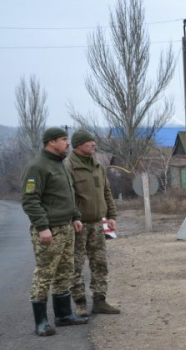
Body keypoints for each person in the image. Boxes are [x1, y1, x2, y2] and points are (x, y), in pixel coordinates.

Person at [21, 126, 88, 336]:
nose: (67, 143)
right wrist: (42, 227)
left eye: (67, 139)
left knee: (64, 271)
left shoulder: (61, 165)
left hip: (66, 226)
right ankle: (41, 322)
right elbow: (30, 200)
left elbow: (68, 195)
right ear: (51, 142)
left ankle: (63, 315)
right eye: (63, 139)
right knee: (44, 274)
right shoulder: (37, 167)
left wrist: (75, 216)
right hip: (50, 230)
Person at [64, 129, 120, 315]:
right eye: (89, 142)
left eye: (93, 141)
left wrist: (111, 216)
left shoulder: (97, 166)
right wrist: (74, 218)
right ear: (78, 145)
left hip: (97, 223)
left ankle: (100, 300)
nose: (93, 144)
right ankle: (80, 303)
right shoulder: (68, 167)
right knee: (75, 264)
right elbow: (67, 197)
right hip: (78, 224)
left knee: (100, 262)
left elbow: (106, 192)